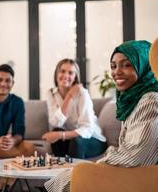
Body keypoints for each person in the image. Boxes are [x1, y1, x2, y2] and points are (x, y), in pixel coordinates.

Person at [44, 40, 158, 192]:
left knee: (74, 155)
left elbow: (134, 155)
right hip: (127, 168)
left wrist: (97, 165)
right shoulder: (133, 100)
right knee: (63, 154)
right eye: (113, 66)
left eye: (127, 64)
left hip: (126, 167)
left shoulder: (150, 101)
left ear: (144, 65)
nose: (117, 71)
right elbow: (55, 121)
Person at [42, 58, 106, 159]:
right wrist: (69, 97)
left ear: (75, 77)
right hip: (72, 139)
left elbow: (87, 129)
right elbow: (55, 122)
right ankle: (60, 170)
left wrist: (60, 135)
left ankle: (75, 174)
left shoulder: (82, 93)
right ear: (56, 74)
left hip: (92, 139)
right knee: (57, 131)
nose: (66, 76)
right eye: (62, 71)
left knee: (75, 141)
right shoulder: (51, 93)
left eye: (70, 73)